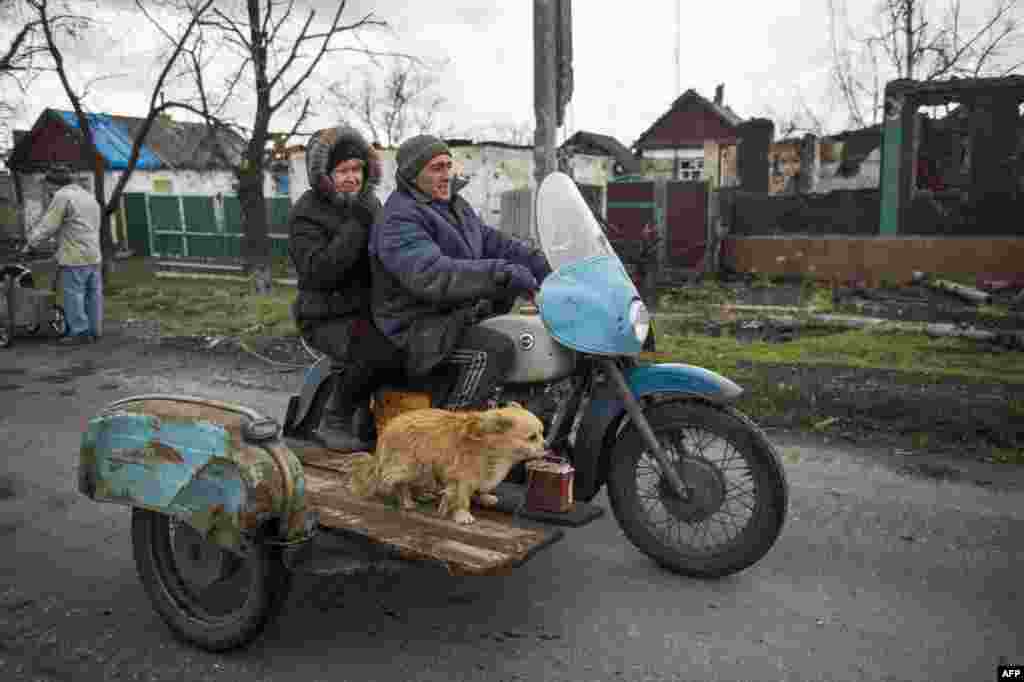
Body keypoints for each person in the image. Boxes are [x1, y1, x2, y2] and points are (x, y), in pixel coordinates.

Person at [369, 135, 552, 410]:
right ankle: (454, 431)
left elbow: (494, 242)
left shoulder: (454, 205)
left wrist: (543, 264)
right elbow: (434, 275)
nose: (446, 175)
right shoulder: (399, 218)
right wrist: (503, 275)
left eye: (447, 165)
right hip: (417, 327)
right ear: (412, 175)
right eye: (436, 168)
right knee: (494, 349)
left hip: (452, 317)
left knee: (529, 334)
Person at [288, 126, 403, 450]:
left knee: (408, 342)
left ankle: (372, 422)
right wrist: (357, 225)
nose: (352, 177)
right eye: (343, 171)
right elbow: (319, 272)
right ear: (324, 174)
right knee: (378, 348)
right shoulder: (306, 214)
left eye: (357, 169)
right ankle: (334, 418)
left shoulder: (369, 205)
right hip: (323, 315)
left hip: (366, 308)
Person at [22, 165, 102, 345]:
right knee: (93, 294)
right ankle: (94, 330)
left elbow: (48, 226)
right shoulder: (87, 195)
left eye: (47, 186)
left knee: (74, 295)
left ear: (52, 184)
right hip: (94, 254)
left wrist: (30, 244)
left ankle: (80, 332)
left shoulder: (62, 196)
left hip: (74, 256)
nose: (47, 190)